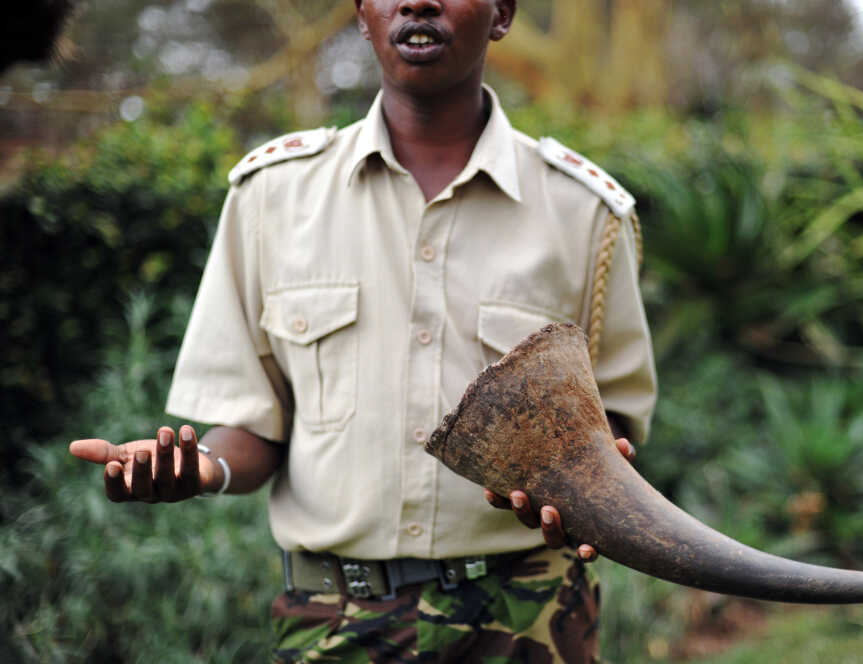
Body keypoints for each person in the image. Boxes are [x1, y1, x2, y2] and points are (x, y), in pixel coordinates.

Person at [69, 0, 656, 661]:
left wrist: (577, 484)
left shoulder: (583, 211)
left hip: (530, 616)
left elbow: (612, 430)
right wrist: (202, 468)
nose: (418, 1)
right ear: (361, 15)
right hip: (335, 619)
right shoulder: (273, 195)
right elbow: (253, 426)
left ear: (501, 14)